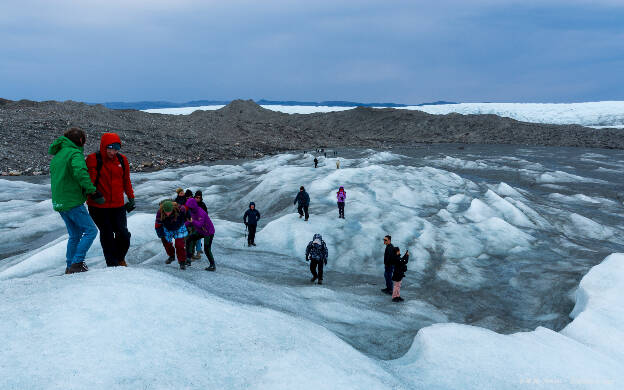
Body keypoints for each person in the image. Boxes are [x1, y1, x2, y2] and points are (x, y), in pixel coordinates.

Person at [49, 127, 101, 274]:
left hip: (60, 202)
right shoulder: (74, 153)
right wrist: (92, 190)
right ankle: (77, 263)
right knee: (91, 231)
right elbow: (80, 172)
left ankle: (69, 266)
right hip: (72, 201)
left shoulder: (58, 154)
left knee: (75, 235)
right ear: (80, 141)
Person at [86, 132, 135, 267]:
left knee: (124, 234)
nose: (113, 152)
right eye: (110, 148)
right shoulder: (93, 159)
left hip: (117, 205)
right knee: (107, 234)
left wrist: (131, 197)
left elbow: (126, 180)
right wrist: (95, 194)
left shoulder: (122, 160)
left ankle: (119, 258)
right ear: (103, 146)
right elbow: (88, 182)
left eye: (116, 149)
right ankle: (112, 265)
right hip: (98, 206)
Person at [184, 198, 217, 271]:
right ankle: (188, 258)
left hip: (208, 232)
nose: (189, 209)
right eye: (188, 207)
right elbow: (190, 221)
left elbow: (199, 224)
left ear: (193, 206)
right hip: (200, 231)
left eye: (190, 207)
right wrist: (182, 226)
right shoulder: (192, 211)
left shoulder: (200, 212)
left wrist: (192, 221)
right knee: (189, 239)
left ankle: (212, 265)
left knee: (207, 249)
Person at [155, 200, 188, 270]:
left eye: (169, 211)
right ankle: (171, 256)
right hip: (167, 228)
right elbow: (158, 224)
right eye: (166, 212)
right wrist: (161, 235)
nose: (167, 213)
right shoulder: (159, 213)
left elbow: (187, 212)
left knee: (179, 245)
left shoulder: (180, 209)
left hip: (178, 228)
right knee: (166, 243)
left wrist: (185, 220)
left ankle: (182, 261)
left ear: (173, 209)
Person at [192, 190, 207, 258]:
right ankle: (193, 253)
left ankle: (198, 253)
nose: (198, 199)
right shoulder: (192, 203)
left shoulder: (202, 205)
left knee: (198, 239)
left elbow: (206, 214)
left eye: (199, 198)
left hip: (199, 224)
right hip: (192, 223)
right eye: (196, 197)